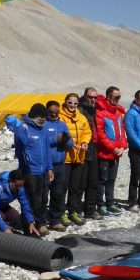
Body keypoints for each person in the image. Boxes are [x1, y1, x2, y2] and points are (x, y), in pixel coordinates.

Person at [14, 103, 53, 235]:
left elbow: (47, 150)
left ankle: (40, 222)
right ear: (33, 115)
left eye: (45, 117)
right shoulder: (23, 128)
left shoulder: (44, 129)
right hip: (29, 171)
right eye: (41, 116)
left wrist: (50, 168)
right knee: (30, 200)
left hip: (42, 171)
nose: (43, 119)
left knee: (42, 199)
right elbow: (20, 151)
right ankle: (27, 227)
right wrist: (26, 170)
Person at [95, 86, 128, 216]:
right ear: (108, 97)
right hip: (105, 153)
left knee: (112, 180)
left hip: (116, 154)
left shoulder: (118, 113)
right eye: (116, 97)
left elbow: (123, 132)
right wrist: (113, 148)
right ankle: (100, 204)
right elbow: (100, 134)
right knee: (102, 180)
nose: (118, 99)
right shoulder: (100, 112)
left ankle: (110, 203)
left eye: (119, 97)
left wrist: (122, 147)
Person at [61, 93, 92, 226]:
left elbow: (87, 132)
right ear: (65, 102)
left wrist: (85, 142)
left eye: (75, 103)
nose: (73, 106)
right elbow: (60, 134)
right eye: (70, 103)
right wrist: (69, 144)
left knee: (75, 187)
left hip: (79, 156)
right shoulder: (61, 117)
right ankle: (61, 212)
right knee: (62, 187)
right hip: (65, 157)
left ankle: (73, 211)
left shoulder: (82, 117)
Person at [44, 100, 74, 231]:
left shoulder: (62, 124)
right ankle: (41, 220)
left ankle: (55, 219)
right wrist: (56, 140)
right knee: (43, 194)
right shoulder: (43, 124)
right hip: (46, 165)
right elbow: (41, 143)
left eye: (56, 113)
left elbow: (70, 143)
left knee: (59, 193)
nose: (54, 115)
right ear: (47, 112)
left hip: (60, 164)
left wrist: (66, 141)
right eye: (51, 113)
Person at [0, 169, 38, 236]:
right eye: (17, 186)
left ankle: (3, 226)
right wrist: (5, 229)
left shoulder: (20, 188)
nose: (19, 189)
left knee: (15, 216)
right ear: (10, 181)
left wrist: (30, 222)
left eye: (21, 186)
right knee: (1, 217)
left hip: (2, 205)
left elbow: (25, 205)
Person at [79, 87, 101, 220]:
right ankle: (75, 209)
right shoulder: (80, 110)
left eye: (95, 97)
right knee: (80, 183)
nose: (93, 99)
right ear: (85, 97)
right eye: (90, 97)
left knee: (93, 181)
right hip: (83, 149)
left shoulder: (95, 110)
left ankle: (90, 209)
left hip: (94, 149)